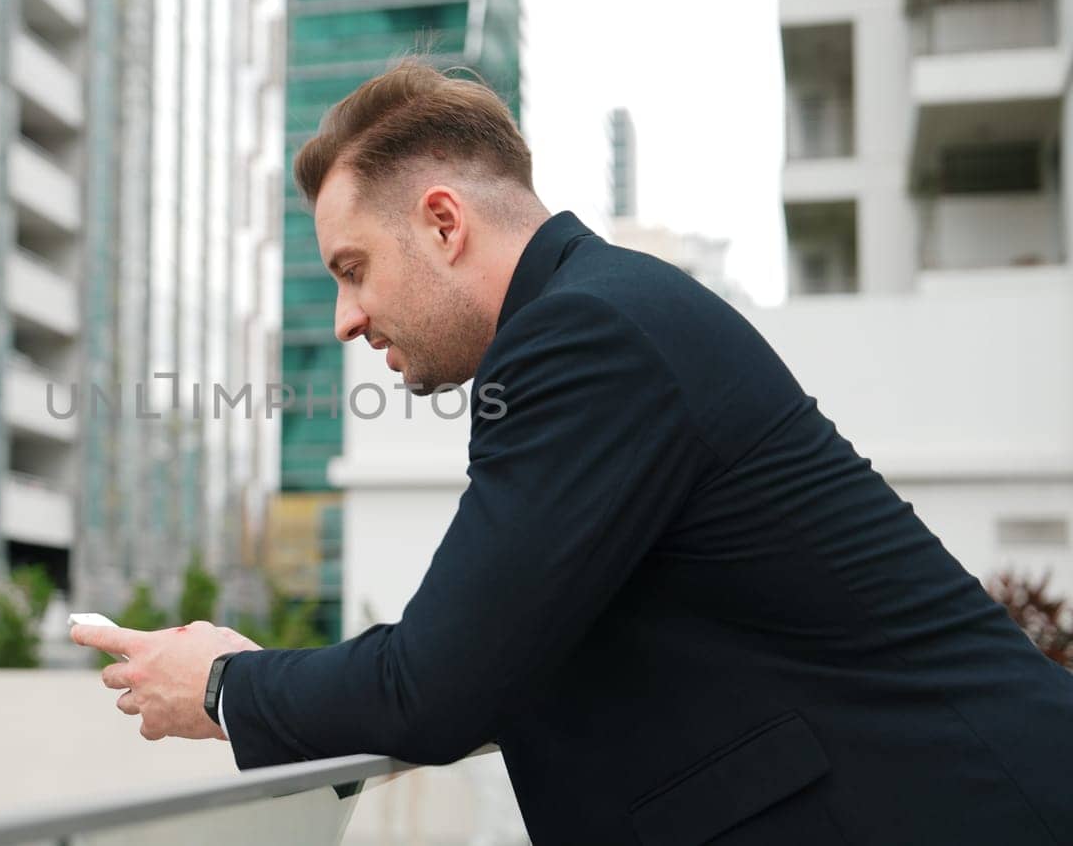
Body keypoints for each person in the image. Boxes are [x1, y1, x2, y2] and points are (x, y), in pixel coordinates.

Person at [71, 58, 1073, 844]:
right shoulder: (597, 316)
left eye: (352, 269)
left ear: (444, 222)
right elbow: (498, 650)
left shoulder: (585, 338)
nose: (345, 319)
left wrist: (220, 685)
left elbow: (438, 685)